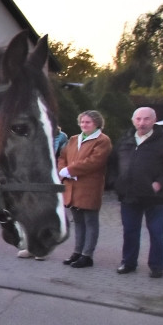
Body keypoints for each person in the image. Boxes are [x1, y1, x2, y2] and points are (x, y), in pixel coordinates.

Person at [112, 107, 163, 278]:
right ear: (133, 120)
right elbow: (112, 162)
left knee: (156, 233)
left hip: (155, 198)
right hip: (129, 195)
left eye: (146, 119)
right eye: (138, 119)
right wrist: (115, 182)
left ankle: (156, 266)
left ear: (154, 120)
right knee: (130, 232)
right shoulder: (125, 139)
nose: (142, 123)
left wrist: (159, 183)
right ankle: (128, 263)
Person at [58, 110, 112, 268]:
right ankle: (77, 252)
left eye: (87, 122)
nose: (84, 125)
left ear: (96, 123)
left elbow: (95, 161)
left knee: (90, 222)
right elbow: (63, 156)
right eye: (82, 122)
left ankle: (87, 255)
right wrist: (62, 170)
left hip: (89, 188)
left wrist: (70, 170)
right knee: (78, 222)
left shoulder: (102, 140)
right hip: (72, 187)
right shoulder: (74, 139)